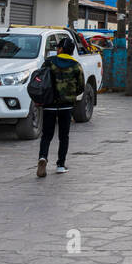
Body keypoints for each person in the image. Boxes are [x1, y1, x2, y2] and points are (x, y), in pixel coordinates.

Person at [37, 37, 85, 177]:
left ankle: (43, 157)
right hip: (66, 106)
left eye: (58, 47)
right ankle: (60, 165)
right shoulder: (76, 66)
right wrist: (70, 95)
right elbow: (81, 87)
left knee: (46, 135)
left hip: (49, 105)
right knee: (64, 136)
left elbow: (40, 80)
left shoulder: (48, 63)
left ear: (61, 49)